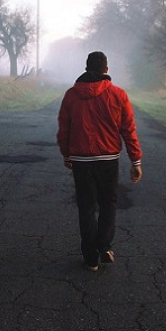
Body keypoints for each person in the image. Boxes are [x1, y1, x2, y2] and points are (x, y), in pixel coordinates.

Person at [57, 51, 143, 272]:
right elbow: (128, 129)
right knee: (108, 203)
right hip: (108, 159)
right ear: (106, 69)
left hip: (81, 160)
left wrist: (67, 154)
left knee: (86, 208)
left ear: (86, 67)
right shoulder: (118, 95)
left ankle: (90, 259)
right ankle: (104, 244)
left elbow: (64, 128)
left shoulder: (71, 95)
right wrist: (136, 161)